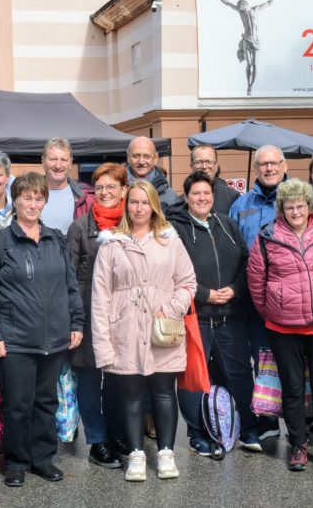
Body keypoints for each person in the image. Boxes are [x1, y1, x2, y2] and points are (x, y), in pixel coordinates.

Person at [0, 172, 85, 487]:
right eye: (27, 197)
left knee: (46, 403)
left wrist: (76, 322)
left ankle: (42, 459)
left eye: (39, 198)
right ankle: (16, 462)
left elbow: (69, 286)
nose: (33, 203)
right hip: (15, 342)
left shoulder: (55, 239)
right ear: (16, 200)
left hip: (54, 340)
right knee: (18, 405)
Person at [92, 181, 197, 482]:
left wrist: (172, 308)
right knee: (131, 395)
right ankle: (137, 454)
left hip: (163, 329)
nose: (139, 208)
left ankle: (165, 452)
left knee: (164, 392)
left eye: (144, 202)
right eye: (133, 202)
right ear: (126, 206)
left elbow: (188, 282)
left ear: (154, 205)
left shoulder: (169, 240)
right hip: (124, 330)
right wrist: (103, 341)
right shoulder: (112, 243)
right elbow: (100, 296)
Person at [247, 178, 313, 472]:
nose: (296, 211)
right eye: (289, 207)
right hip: (283, 327)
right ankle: (299, 445)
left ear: (309, 206)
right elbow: (256, 283)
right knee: (291, 389)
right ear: (282, 209)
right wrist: (274, 312)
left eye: (300, 205)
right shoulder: (267, 237)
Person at [167, 170, 260, 455]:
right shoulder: (175, 229)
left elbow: (247, 263)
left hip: (231, 316)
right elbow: (170, 272)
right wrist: (204, 293)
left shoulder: (228, 225)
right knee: (193, 378)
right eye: (196, 193)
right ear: (187, 197)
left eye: (206, 193)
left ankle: (247, 428)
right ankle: (197, 434)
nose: (202, 198)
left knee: (240, 374)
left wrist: (235, 289)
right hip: (196, 317)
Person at [67, 163, 130, 470]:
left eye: (112, 187)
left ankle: (118, 434)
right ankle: (97, 440)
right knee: (90, 380)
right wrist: (74, 319)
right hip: (89, 312)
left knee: (119, 379)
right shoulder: (80, 227)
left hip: (124, 315)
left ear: (124, 190)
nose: (105, 193)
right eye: (100, 187)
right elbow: (69, 277)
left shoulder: (134, 223)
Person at [229, 144, 288, 440]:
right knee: (262, 356)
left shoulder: (297, 199)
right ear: (255, 169)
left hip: (291, 297)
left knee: (294, 358)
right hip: (253, 298)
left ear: (284, 166)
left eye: (274, 163)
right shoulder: (241, 205)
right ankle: (267, 419)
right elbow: (233, 250)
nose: (269, 168)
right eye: (263, 164)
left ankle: (302, 419)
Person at [210, 0, 283, 95]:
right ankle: (248, 84)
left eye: (241, 6)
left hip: (256, 40)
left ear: (245, 5)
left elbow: (268, 3)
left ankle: (251, 85)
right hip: (246, 40)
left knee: (255, 65)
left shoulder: (256, 9)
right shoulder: (241, 12)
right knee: (249, 64)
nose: (240, 8)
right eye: (239, 7)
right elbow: (227, 3)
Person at [40, 137, 93, 234]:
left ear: (70, 163)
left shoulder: (85, 197)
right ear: (43, 162)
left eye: (63, 160)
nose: (58, 165)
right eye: (53, 159)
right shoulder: (28, 193)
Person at [187, 144, 240, 214]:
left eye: (209, 162)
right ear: (191, 166)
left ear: (216, 166)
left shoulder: (232, 197)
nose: (204, 166)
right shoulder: (181, 200)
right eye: (199, 162)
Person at [127, 136, 177, 209]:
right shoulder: (115, 189)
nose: (141, 162)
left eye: (147, 156)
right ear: (128, 157)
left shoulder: (169, 195)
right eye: (136, 156)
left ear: (155, 158)